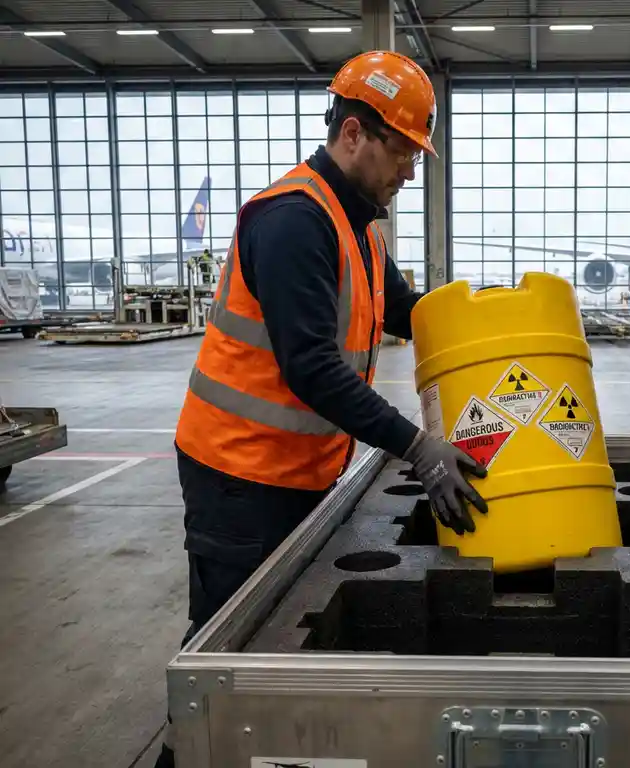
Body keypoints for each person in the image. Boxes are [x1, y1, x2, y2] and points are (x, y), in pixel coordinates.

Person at [154, 51, 487, 768]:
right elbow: (310, 368)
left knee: (276, 636)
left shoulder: (359, 220)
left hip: (297, 468)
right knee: (230, 648)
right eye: (403, 151)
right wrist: (417, 447)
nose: (410, 170)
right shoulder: (293, 220)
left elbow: (404, 309)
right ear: (357, 134)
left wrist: (484, 325)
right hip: (237, 473)